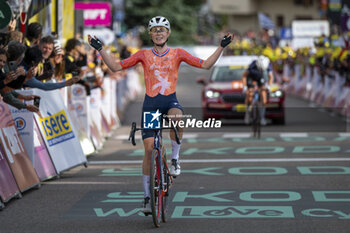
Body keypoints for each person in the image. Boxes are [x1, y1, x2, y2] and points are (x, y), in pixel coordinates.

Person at [88, 16, 233, 214]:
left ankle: (174, 160)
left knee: (176, 118)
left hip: (169, 101)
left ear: (168, 33)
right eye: (155, 30)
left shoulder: (177, 53)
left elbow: (206, 65)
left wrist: (221, 47)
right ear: (150, 34)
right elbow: (116, 67)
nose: (158, 33)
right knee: (149, 150)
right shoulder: (143, 54)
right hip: (151, 105)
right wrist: (100, 49)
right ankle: (148, 198)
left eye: (162, 30)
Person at [242, 55, 273, 125]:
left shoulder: (268, 64)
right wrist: (244, 87)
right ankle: (247, 114)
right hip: (251, 77)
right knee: (249, 94)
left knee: (263, 95)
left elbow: (270, 77)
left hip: (261, 78)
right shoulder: (253, 64)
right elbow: (244, 76)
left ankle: (262, 117)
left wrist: (268, 86)